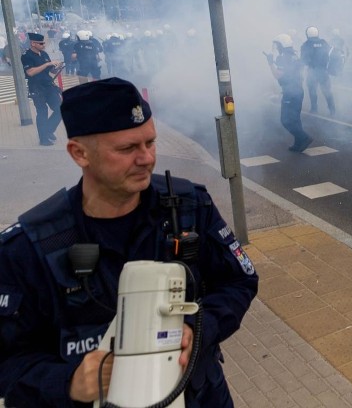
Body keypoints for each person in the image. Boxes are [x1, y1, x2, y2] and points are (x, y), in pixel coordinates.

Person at [0, 78, 258, 406]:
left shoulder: (189, 207)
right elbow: (9, 362)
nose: (147, 158)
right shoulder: (30, 247)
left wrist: (197, 328)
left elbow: (239, 281)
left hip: (200, 396)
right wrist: (70, 381)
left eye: (150, 142)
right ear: (79, 153)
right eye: (127, 149)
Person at [268, 33, 313, 152]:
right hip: (298, 90)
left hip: (290, 93)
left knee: (286, 120)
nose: (277, 47)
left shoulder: (282, 58)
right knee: (295, 119)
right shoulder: (294, 55)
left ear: (282, 45)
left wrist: (270, 62)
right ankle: (298, 143)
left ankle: (304, 137)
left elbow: (277, 75)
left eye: (278, 45)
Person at [21, 32, 64, 146]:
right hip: (36, 87)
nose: (43, 45)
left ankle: (48, 130)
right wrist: (46, 64)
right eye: (41, 43)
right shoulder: (26, 56)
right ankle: (43, 138)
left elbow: (50, 71)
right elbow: (30, 72)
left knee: (60, 109)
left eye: (44, 43)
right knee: (42, 112)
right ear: (33, 43)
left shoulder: (44, 54)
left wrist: (57, 67)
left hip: (48, 85)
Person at [300, 26, 336, 115]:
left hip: (312, 72)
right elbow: (329, 55)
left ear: (307, 34)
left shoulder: (306, 45)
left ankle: (314, 109)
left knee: (312, 90)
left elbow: (304, 60)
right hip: (324, 72)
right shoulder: (324, 43)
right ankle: (332, 109)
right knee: (327, 91)